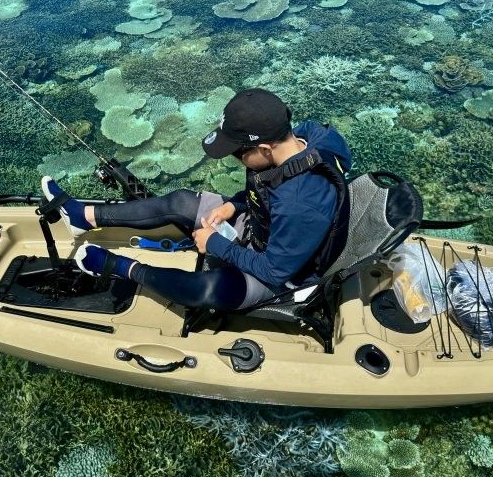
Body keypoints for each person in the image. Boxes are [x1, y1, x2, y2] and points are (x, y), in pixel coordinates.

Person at [41, 88, 352, 311]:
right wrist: (236, 203)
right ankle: (84, 217)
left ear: (266, 149)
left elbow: (275, 271)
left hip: (285, 273)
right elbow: (271, 186)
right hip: (265, 226)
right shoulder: (303, 138)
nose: (235, 159)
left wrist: (215, 245)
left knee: (207, 289)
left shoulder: (302, 203)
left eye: (237, 153)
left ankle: (120, 266)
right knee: (179, 201)